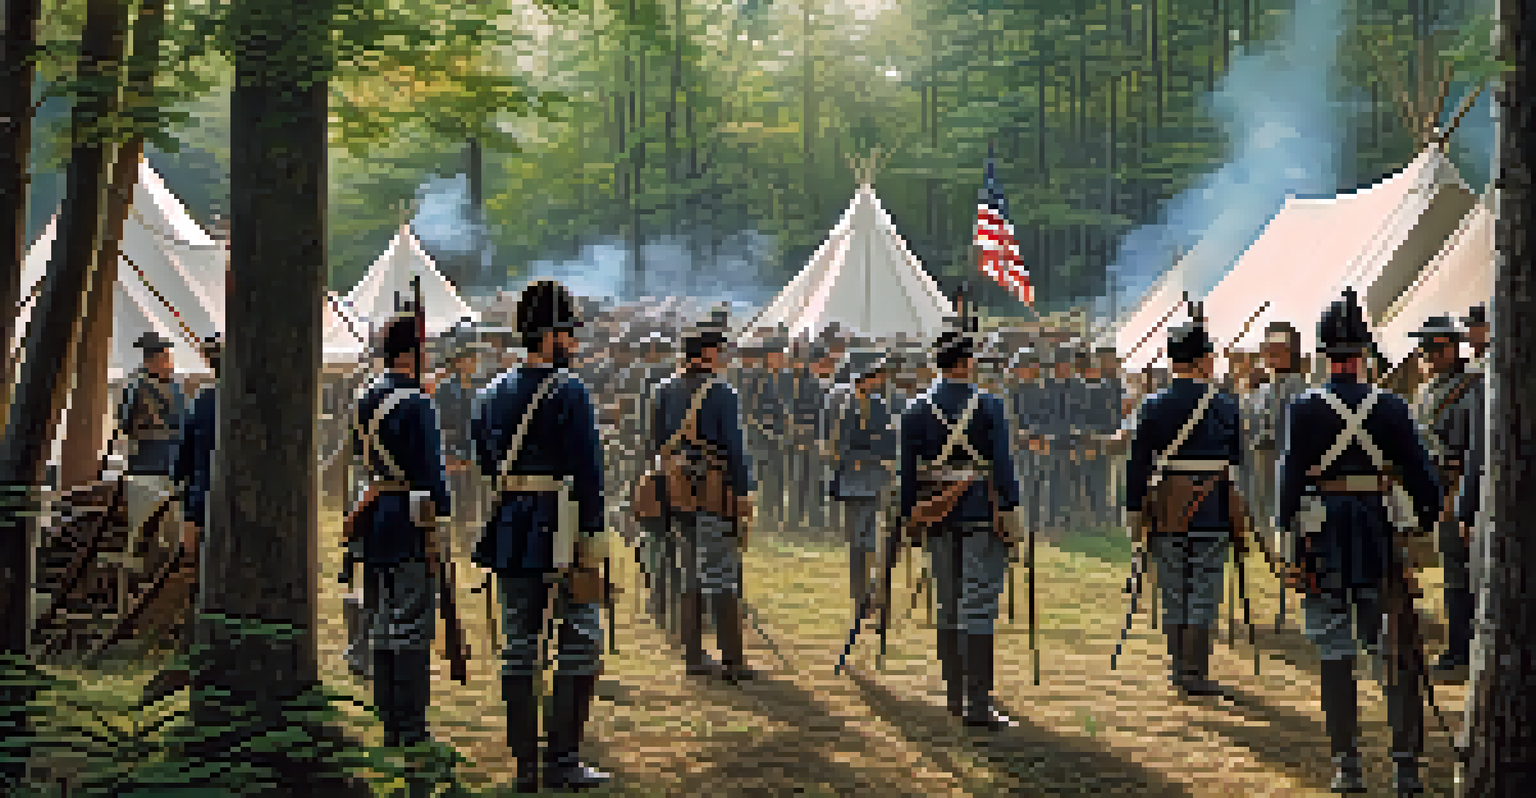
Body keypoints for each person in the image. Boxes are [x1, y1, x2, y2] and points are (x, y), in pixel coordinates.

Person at [1276, 288, 1441, 795]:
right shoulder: (1390, 408)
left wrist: (1289, 538)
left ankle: (1346, 765)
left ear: (1326, 355)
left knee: (1334, 653)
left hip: (1322, 541)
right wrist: (1423, 521)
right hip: (1378, 538)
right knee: (1393, 652)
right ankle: (1405, 768)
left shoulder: (1304, 408)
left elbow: (1288, 484)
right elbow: (1422, 478)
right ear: (1363, 354)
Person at [470, 280, 609, 793]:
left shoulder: (488, 394)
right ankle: (563, 760)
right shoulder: (570, 391)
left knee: (519, 646)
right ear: (548, 337)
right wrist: (592, 535)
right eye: (568, 336)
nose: (573, 345)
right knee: (579, 641)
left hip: (510, 524)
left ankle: (526, 764)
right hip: (562, 526)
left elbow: (487, 464)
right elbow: (587, 470)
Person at [899, 330, 1022, 729]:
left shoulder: (916, 409)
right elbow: (1002, 466)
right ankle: (978, 705)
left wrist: (909, 517)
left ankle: (955, 695)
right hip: (980, 513)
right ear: (966, 363)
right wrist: (1011, 509)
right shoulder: (988, 406)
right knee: (979, 608)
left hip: (936, 516)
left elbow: (908, 475)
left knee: (947, 606)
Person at [347, 311, 453, 773]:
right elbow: (430, 473)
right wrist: (441, 518)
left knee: (384, 618)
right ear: (412, 354)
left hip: (375, 518)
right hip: (409, 518)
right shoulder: (416, 402)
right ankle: (411, 727)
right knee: (409, 622)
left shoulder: (364, 396)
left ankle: (389, 719)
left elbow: (358, 455)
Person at [1124, 313, 1244, 698]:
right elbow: (1237, 467)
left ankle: (1180, 667)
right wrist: (1239, 515)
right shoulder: (1225, 406)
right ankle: (1196, 671)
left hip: (1166, 511)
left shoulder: (1153, 405)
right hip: (1212, 508)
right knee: (1205, 590)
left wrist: (1134, 516)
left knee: (1173, 589)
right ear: (1200, 360)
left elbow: (1137, 467)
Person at [649, 313, 757, 682]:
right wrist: (743, 493)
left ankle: (694, 656)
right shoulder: (722, 392)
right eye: (719, 352)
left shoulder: (663, 390)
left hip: (677, 492)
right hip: (713, 492)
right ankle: (733, 661)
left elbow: (653, 446)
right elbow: (736, 449)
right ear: (708, 354)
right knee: (722, 573)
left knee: (689, 573)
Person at [143, 334, 220, 704]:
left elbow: (185, 460)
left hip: (204, 504)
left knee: (201, 582)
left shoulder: (203, 401)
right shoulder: (214, 400)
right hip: (228, 508)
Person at [1406, 315, 1483, 681]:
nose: (1426, 356)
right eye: (1423, 350)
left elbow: (1475, 451)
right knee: (1452, 572)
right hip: (1438, 490)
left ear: (1451, 349)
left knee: (1463, 573)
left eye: (1433, 349)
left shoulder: (1473, 389)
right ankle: (1459, 646)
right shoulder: (1426, 391)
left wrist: (1464, 503)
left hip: (1461, 490)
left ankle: (1463, 649)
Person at [828, 350, 899, 611]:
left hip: (872, 477)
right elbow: (838, 442)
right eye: (875, 373)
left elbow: (887, 439)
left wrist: (876, 451)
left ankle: (869, 592)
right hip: (852, 477)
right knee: (859, 540)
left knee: (870, 539)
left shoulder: (877, 402)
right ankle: (862, 594)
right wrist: (872, 451)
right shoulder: (842, 401)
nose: (880, 378)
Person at [1244, 321, 1311, 564]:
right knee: (1265, 520)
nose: (1271, 356)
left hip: (1291, 468)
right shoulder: (1255, 396)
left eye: (1278, 350)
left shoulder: (1304, 392)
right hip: (1262, 469)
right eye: (1268, 350)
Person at [117, 331, 188, 561]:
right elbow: (126, 423)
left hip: (173, 464)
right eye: (165, 359)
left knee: (170, 525)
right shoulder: (135, 386)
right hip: (145, 466)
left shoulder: (177, 386)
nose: (170, 364)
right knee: (142, 523)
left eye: (170, 358)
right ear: (150, 361)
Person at [436, 328, 482, 554]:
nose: (475, 361)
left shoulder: (478, 390)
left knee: (470, 508)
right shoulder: (444, 392)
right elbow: (438, 428)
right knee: (450, 511)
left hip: (473, 460)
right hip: (451, 461)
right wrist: (448, 457)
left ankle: (467, 547)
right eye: (470, 356)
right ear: (458, 361)